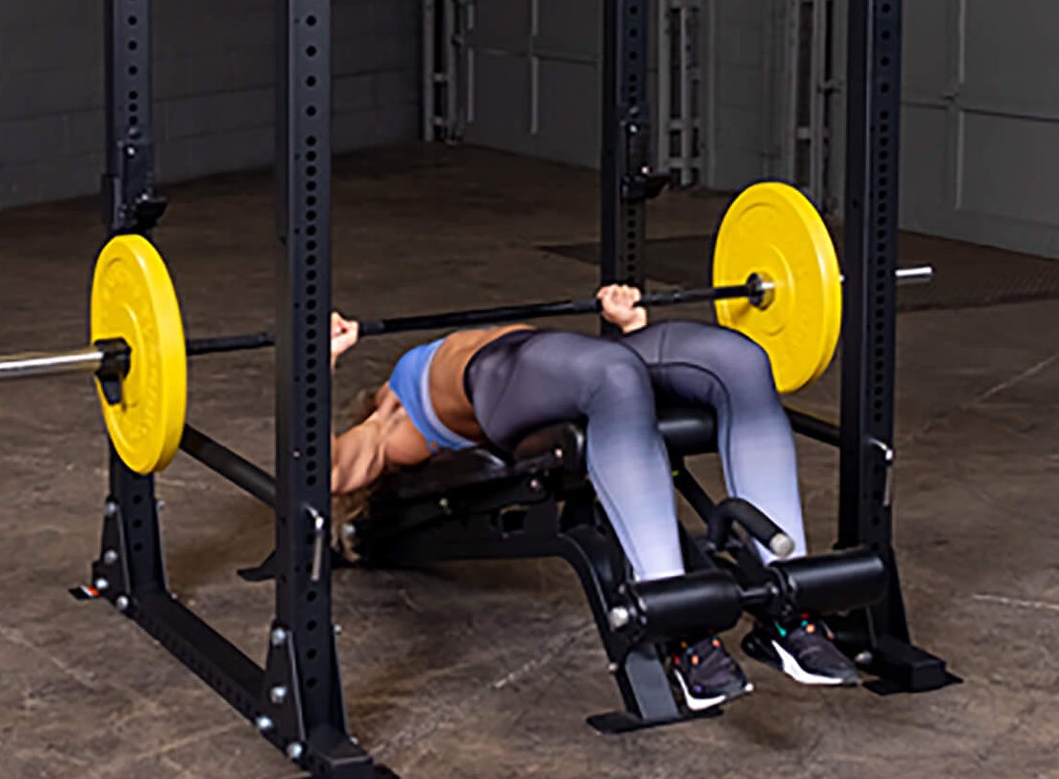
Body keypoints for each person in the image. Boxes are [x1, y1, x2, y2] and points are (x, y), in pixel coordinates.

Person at [330, 286, 859, 710]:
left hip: (569, 365)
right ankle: (677, 632)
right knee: (614, 375)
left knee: (740, 360)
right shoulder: (390, 428)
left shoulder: (401, 395)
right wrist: (318, 365)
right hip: (516, 376)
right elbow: (328, 469)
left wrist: (631, 326)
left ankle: (790, 612)